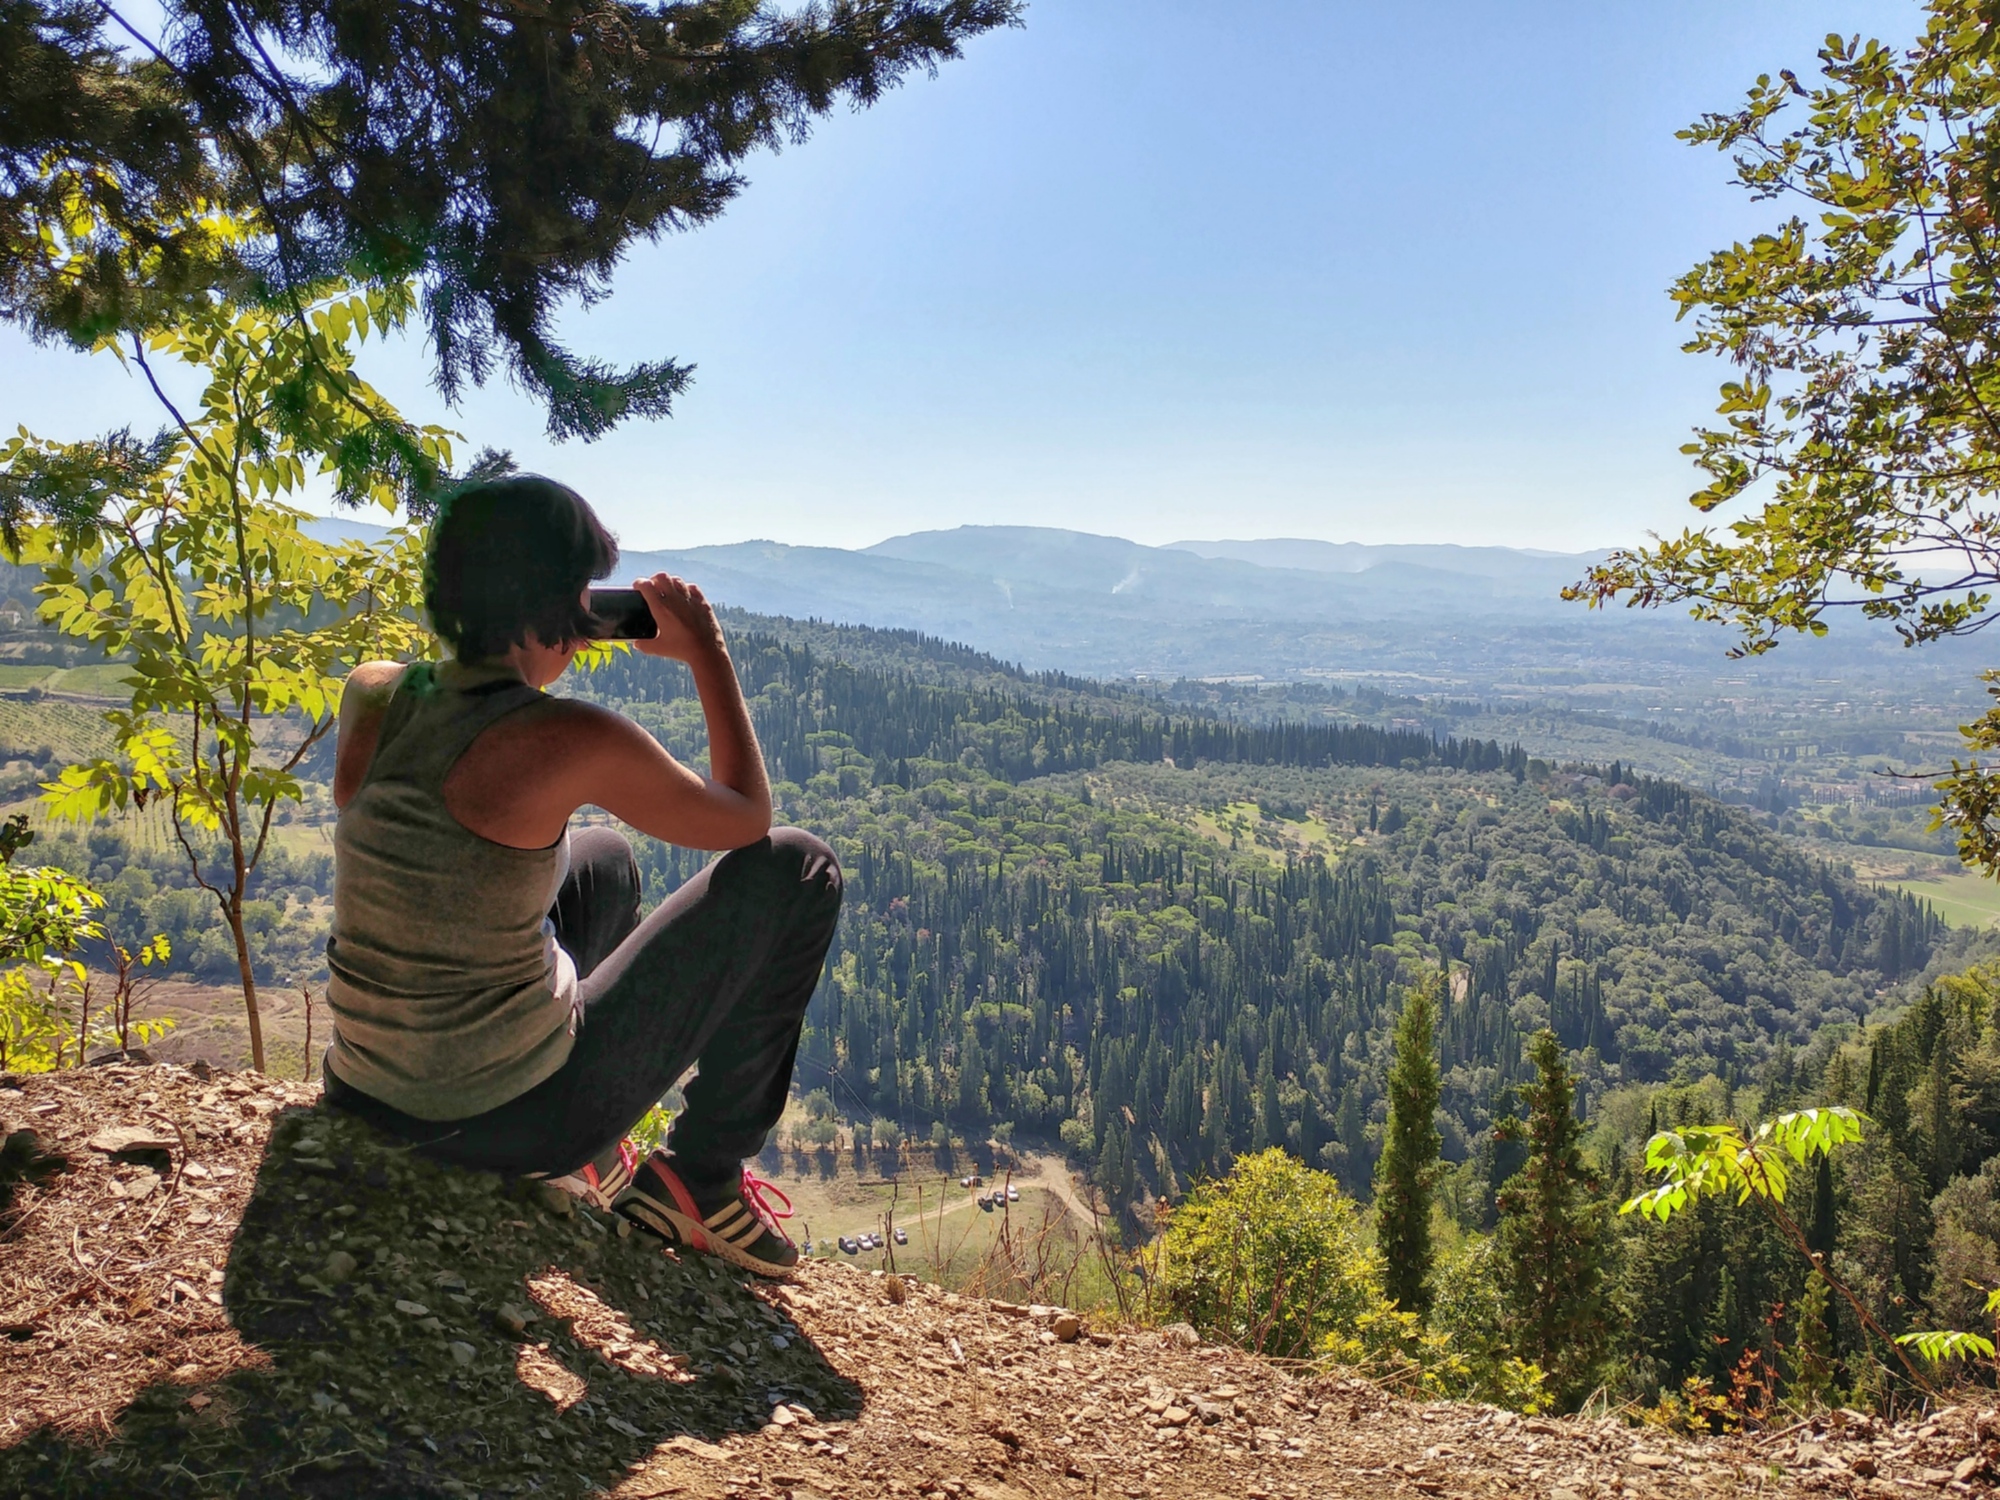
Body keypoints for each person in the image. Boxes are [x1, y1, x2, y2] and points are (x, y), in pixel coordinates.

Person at [321, 475, 841, 1277]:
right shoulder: (566, 735)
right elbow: (746, 820)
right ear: (557, 603)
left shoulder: (376, 692)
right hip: (502, 1120)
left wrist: (537, 634)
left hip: (362, 1090)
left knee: (602, 858)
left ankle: (595, 1162)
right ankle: (697, 1183)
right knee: (800, 866)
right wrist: (708, 653)